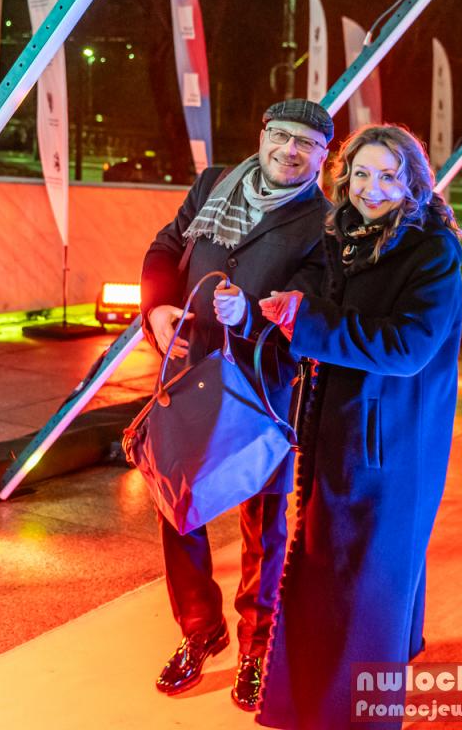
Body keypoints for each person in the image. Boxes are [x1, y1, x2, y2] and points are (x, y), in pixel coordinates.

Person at [253, 125, 462, 729]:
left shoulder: (431, 250)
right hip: (342, 428)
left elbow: (408, 347)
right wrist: (284, 306)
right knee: (357, 570)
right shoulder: (344, 233)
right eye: (363, 174)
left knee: (364, 577)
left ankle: (352, 715)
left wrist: (310, 322)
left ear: (413, 183)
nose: (372, 189)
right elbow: (316, 289)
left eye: (389, 177)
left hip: (389, 442)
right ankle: (346, 680)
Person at [139, 99, 333, 711]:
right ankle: (201, 630)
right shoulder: (214, 184)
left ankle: (257, 644)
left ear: (323, 157)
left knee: (263, 522)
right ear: (263, 134)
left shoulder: (324, 222)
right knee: (177, 506)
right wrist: (157, 308)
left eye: (307, 144)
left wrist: (251, 314)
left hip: (263, 387)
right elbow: (166, 247)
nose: (290, 150)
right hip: (189, 372)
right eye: (282, 135)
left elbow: (312, 301)